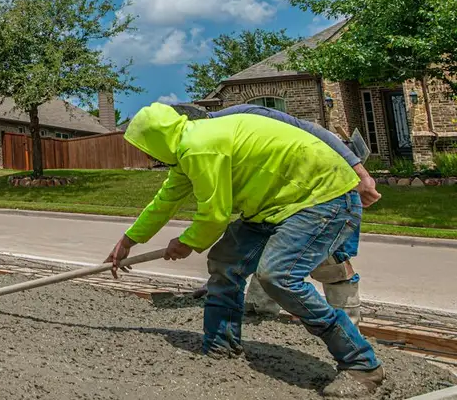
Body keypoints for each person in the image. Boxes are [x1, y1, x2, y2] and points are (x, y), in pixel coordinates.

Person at [106, 103, 384, 397]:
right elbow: (163, 203)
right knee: (226, 262)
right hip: (273, 205)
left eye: (145, 148)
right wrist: (127, 241)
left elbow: (214, 216)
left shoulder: (200, 145)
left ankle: (362, 364)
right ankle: (221, 345)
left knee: (279, 276)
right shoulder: (187, 149)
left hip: (321, 198)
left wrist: (186, 242)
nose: (147, 155)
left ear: (155, 140)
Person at [204, 104, 379, 321]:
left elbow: (317, 132)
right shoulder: (203, 147)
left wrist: (360, 173)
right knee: (270, 252)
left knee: (332, 261)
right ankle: (259, 311)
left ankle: (348, 323)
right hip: (277, 197)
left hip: (322, 187)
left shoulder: (245, 116)